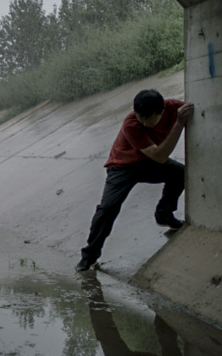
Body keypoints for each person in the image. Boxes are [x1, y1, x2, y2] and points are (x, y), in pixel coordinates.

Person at [76, 89, 194, 272]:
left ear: (161, 111)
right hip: (122, 167)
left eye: (149, 117)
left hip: (149, 163)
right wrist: (179, 123)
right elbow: (160, 156)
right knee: (107, 209)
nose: (144, 122)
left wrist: (181, 118)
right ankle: (89, 257)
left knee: (181, 174)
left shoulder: (174, 108)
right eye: (140, 116)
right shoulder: (131, 124)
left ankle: (164, 214)